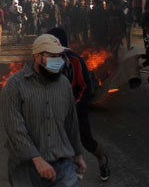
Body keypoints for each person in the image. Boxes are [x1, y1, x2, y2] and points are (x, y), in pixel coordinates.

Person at [2, 34, 86, 186]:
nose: (58, 60)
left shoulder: (64, 84)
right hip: (25, 166)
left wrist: (77, 153)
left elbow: (71, 123)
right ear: (37, 57)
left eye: (60, 55)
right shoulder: (15, 85)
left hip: (61, 164)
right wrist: (37, 159)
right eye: (53, 56)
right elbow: (15, 129)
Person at [47, 27, 111, 182]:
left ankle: (102, 159)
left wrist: (75, 106)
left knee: (87, 141)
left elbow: (84, 88)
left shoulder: (75, 61)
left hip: (76, 109)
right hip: (56, 110)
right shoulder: (48, 60)